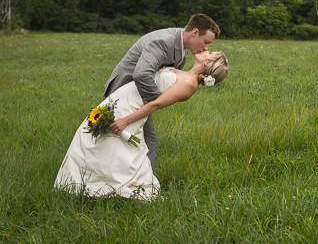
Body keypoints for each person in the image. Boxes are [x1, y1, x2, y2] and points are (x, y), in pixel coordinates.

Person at [54, 50, 229, 200]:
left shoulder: (189, 84)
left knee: (107, 142)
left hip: (131, 108)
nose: (206, 49)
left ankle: (97, 185)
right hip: (123, 98)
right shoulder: (185, 74)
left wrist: (126, 120)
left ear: (207, 63)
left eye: (211, 52)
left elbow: (155, 104)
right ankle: (84, 181)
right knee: (97, 139)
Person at [103, 14, 220, 172]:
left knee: (144, 140)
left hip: (140, 95)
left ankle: (138, 181)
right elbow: (141, 75)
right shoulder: (164, 41)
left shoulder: (183, 50)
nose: (206, 48)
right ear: (195, 33)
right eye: (206, 42)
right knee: (145, 140)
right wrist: (158, 100)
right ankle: (140, 184)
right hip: (124, 91)